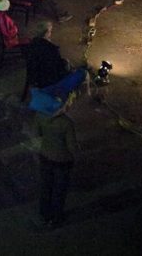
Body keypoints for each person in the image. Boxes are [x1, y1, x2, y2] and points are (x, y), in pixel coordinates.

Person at [33, 97, 79, 229]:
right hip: (62, 161)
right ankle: (56, 218)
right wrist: (77, 155)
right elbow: (72, 147)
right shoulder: (66, 123)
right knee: (59, 190)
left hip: (45, 156)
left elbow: (36, 133)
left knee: (46, 187)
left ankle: (44, 215)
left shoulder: (40, 115)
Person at [22, 20, 70, 101]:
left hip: (33, 74)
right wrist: (65, 63)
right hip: (45, 79)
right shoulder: (52, 49)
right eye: (50, 31)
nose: (51, 34)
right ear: (46, 33)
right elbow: (56, 67)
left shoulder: (32, 43)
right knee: (69, 70)